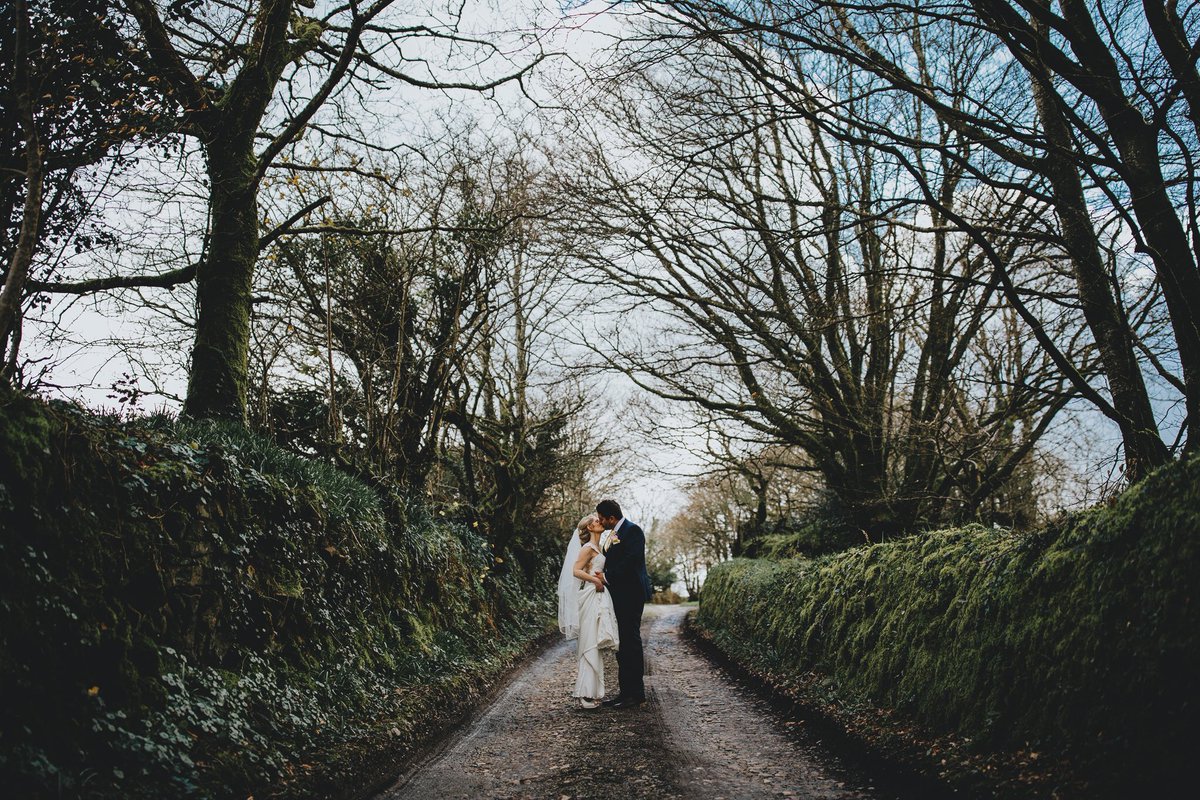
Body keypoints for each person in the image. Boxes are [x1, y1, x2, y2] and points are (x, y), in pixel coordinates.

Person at [557, 514, 619, 709]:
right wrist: (596, 581)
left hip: (598, 594)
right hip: (591, 595)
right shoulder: (587, 548)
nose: (600, 522)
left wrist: (603, 580)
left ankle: (591, 693)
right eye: (596, 521)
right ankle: (584, 694)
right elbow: (576, 570)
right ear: (590, 528)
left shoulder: (600, 548)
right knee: (589, 644)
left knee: (596, 644)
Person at [595, 498, 652, 708]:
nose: (601, 522)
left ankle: (636, 694)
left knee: (631, 642)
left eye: (602, 518)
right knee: (622, 644)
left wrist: (606, 576)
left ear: (612, 517)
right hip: (618, 594)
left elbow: (631, 561)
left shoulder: (633, 531)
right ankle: (624, 692)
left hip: (631, 594)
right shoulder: (612, 534)